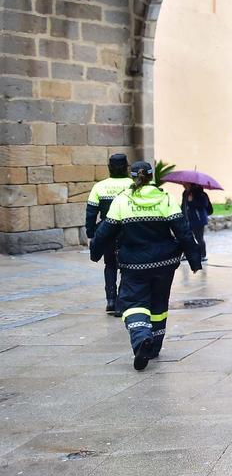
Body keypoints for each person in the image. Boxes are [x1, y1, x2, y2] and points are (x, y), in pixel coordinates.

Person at [90, 161, 202, 370]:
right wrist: (194, 259)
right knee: (159, 304)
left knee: (133, 303)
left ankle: (142, 338)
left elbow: (105, 231)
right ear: (151, 177)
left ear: (133, 177)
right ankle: (155, 345)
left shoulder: (122, 201)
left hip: (135, 265)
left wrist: (95, 252)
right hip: (164, 263)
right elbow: (183, 231)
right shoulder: (164, 198)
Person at [85, 153, 133, 316]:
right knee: (127, 267)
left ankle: (110, 301)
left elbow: (91, 212)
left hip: (107, 231)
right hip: (129, 231)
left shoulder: (99, 186)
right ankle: (121, 302)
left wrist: (91, 234)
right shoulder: (133, 185)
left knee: (110, 264)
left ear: (109, 168)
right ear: (127, 167)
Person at [182, 182, 214, 262]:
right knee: (186, 238)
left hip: (198, 220)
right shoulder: (185, 193)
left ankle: (203, 255)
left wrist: (191, 201)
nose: (183, 185)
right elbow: (184, 205)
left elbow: (204, 205)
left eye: (185, 184)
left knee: (199, 238)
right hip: (187, 219)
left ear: (191, 184)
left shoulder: (201, 194)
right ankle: (186, 255)